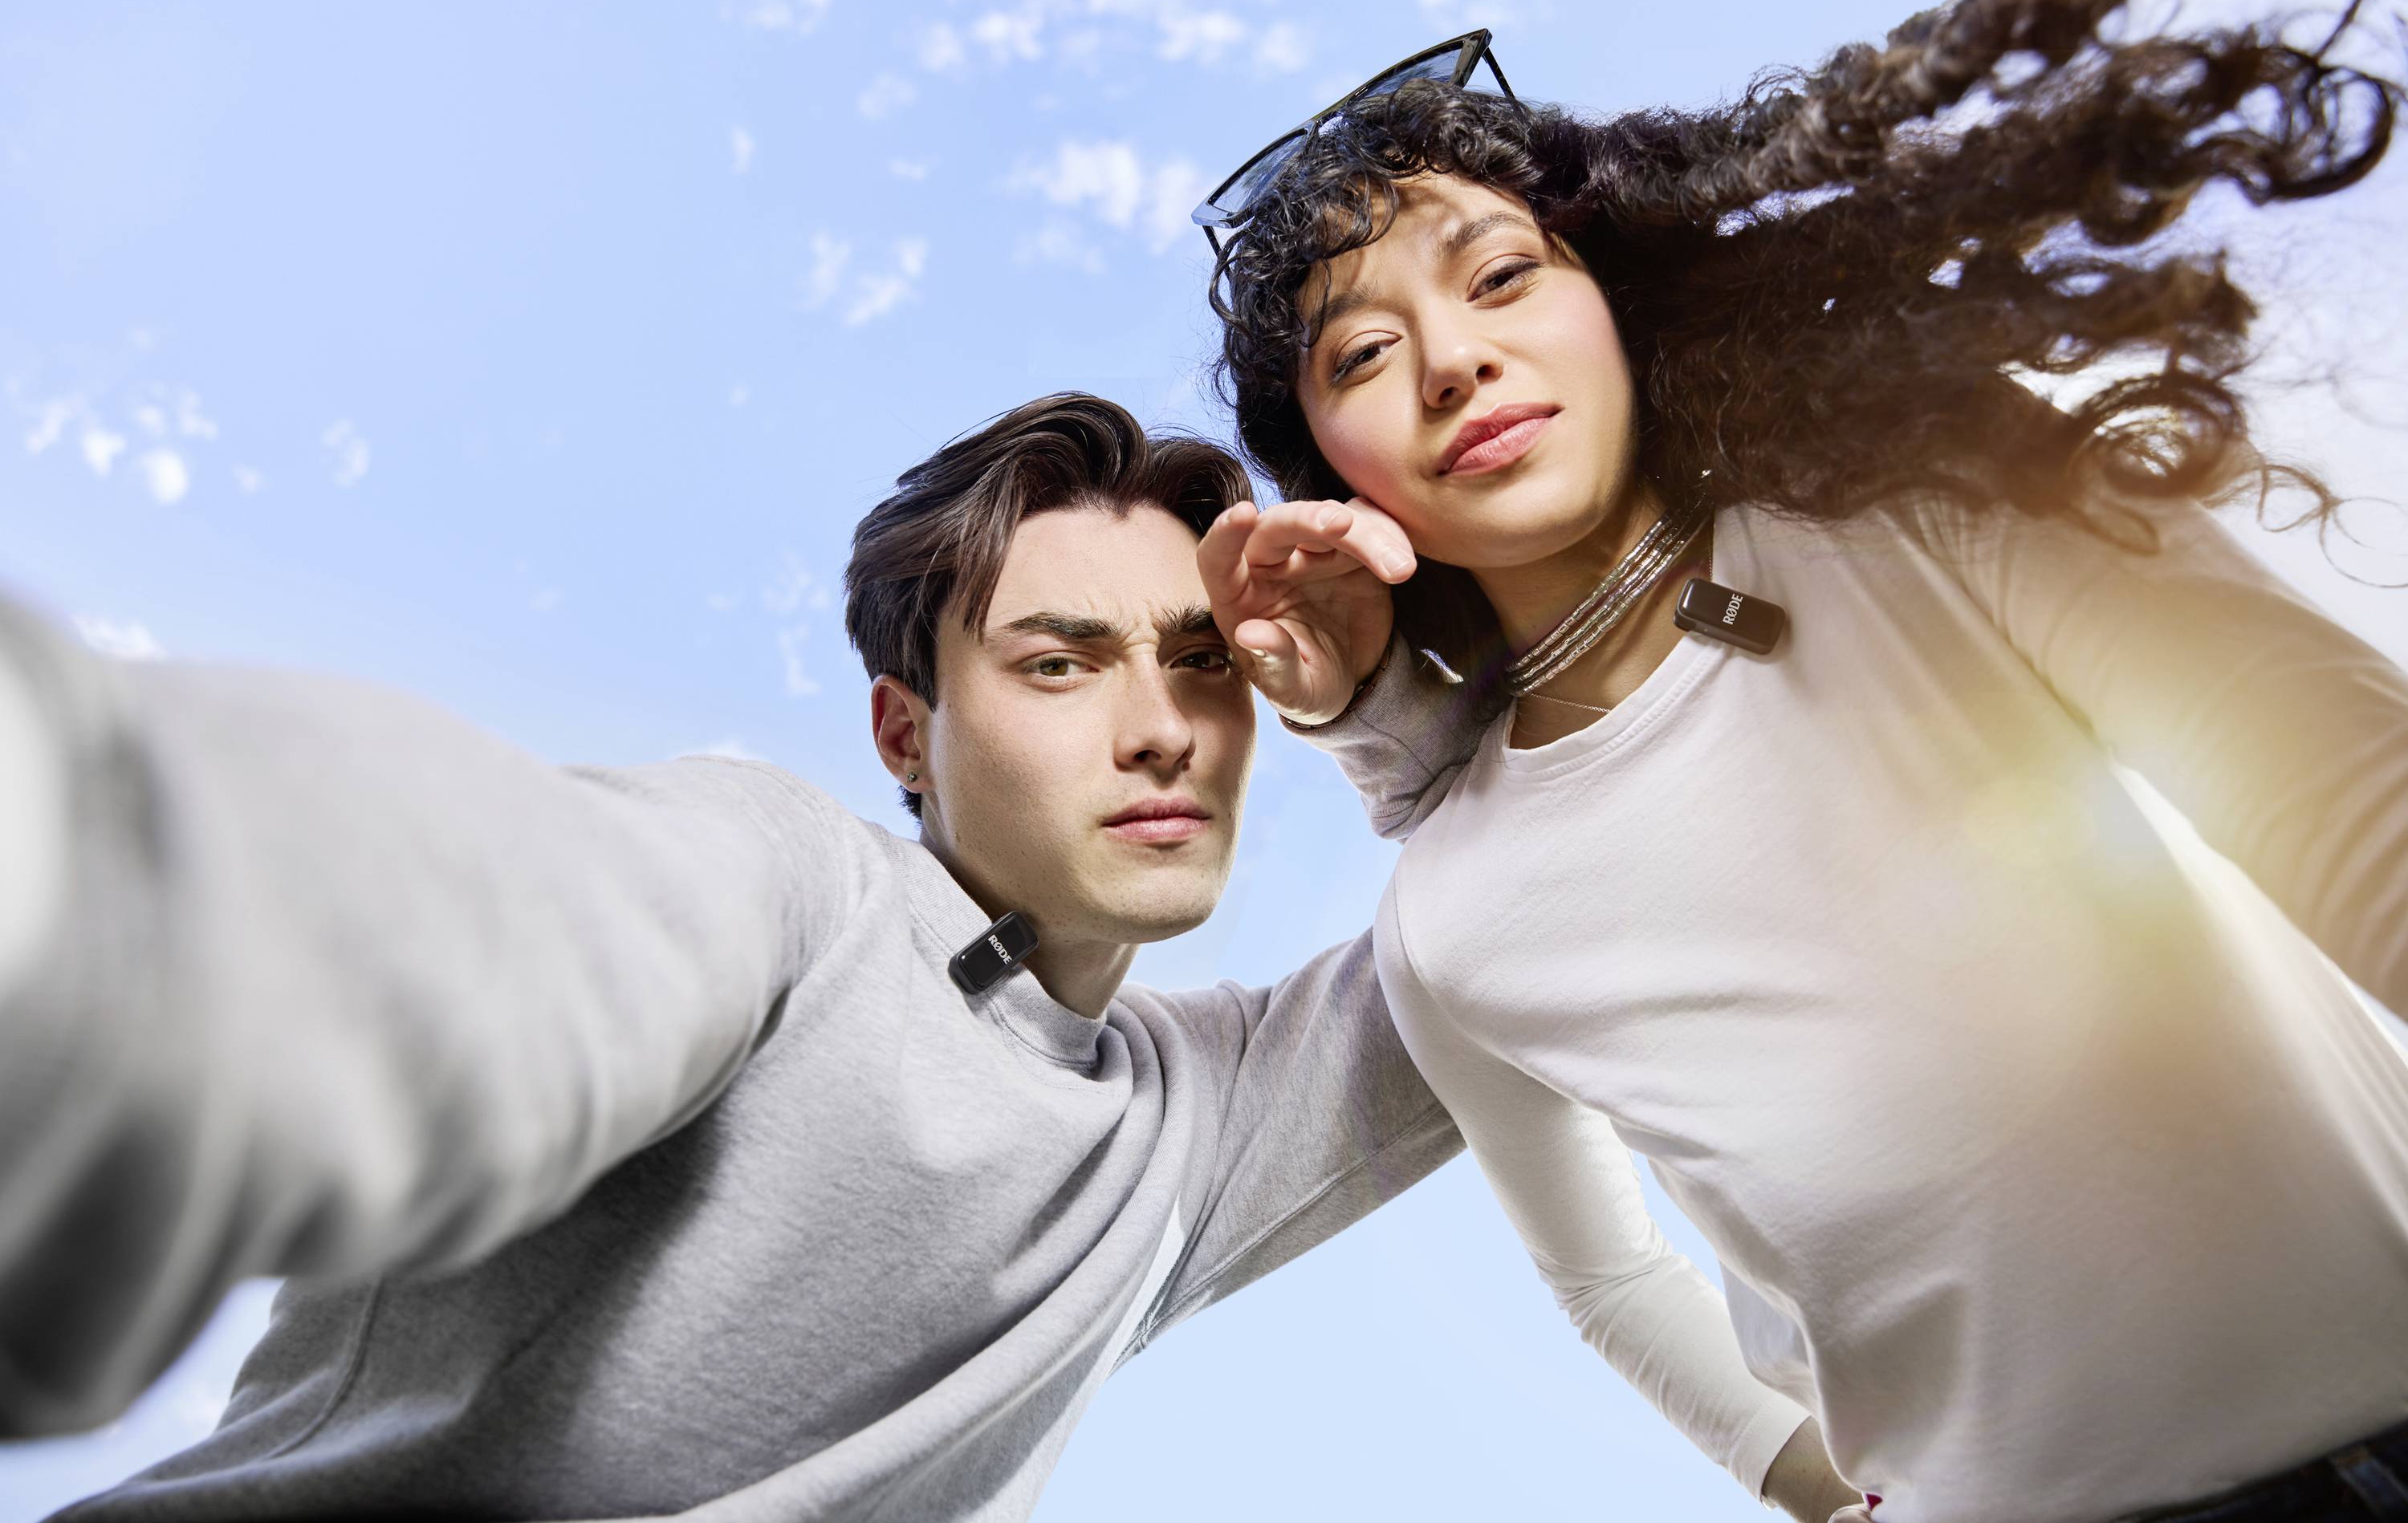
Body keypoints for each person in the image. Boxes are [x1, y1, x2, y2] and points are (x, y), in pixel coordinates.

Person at [0, 392, 1857, 1521]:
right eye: (1059, 662)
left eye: (1200, 662)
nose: (1161, 726)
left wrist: (1380, 695)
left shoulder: (1201, 1119)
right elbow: (417, 922)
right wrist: (80, 890)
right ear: (908, 731)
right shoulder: (787, 884)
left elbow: (1542, 877)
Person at [1190, 0, 2408, 1521]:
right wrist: (1823, 1490)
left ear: (1617, 299)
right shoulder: (1449, 916)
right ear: (1331, 472)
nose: (1455, 359)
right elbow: (1608, 1276)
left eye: (1501, 276)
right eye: (1363, 351)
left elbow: (2359, 810)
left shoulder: (1932, 503)